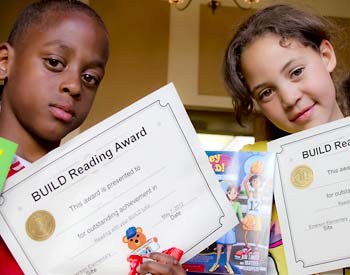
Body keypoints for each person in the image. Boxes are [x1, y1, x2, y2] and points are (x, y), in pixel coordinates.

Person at [0, 1, 183, 275]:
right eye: (54, 63)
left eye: (90, 77)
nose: (74, 86)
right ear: (5, 63)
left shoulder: (98, 203)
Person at [223, 4, 348, 274]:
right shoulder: (249, 169)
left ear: (326, 56)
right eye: (267, 92)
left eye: (296, 72)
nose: (290, 98)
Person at [209, 182, 243, 274]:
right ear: (227, 193)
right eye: (230, 193)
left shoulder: (237, 205)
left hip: (231, 230)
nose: (232, 195)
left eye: (235, 193)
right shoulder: (223, 203)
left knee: (229, 248)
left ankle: (227, 264)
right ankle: (216, 263)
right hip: (223, 228)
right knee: (219, 248)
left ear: (237, 194)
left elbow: (241, 217)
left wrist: (247, 222)